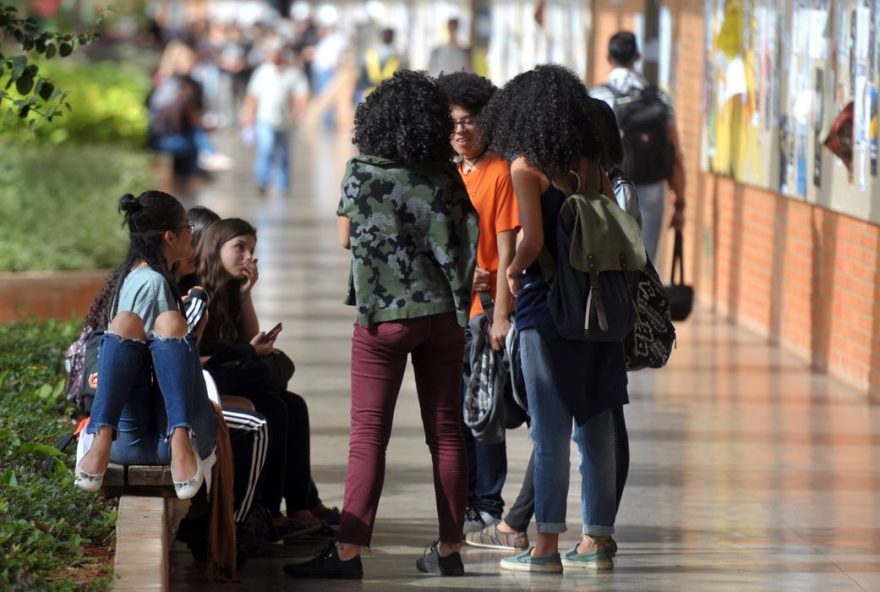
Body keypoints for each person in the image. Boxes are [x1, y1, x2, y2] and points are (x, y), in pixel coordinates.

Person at [283, 69, 479, 580]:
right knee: (447, 431)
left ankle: (348, 553)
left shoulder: (362, 171)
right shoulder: (445, 174)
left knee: (369, 434)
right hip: (442, 316)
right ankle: (450, 547)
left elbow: (346, 239)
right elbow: (464, 240)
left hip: (383, 320)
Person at [465, 97, 638, 557]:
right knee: (598, 426)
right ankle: (597, 538)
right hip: (598, 307)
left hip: (550, 309)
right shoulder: (591, 166)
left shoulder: (526, 167)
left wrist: (512, 270)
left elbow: (534, 239)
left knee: (551, 433)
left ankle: (544, 548)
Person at [73, 191, 218, 502]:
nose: (191, 236)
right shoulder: (153, 284)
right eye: (187, 228)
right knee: (168, 325)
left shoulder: (133, 276)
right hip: (157, 432)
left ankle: (102, 438)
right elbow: (159, 369)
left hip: (128, 440)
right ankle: (175, 435)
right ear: (170, 237)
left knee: (134, 323)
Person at [195, 217, 333, 539]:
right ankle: (270, 512)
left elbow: (248, 338)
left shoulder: (229, 291)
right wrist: (242, 354)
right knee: (274, 407)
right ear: (216, 249)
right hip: (206, 385)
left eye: (252, 251)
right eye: (238, 248)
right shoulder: (198, 294)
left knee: (293, 405)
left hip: (226, 378)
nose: (247, 258)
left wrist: (245, 295)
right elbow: (187, 358)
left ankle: (299, 506)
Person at [437, 71, 520, 534]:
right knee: (453, 411)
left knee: (484, 412)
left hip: (483, 311)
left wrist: (501, 315)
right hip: (447, 311)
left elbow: (507, 252)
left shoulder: (501, 172)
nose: (461, 131)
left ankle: (488, 500)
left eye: (469, 121)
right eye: (452, 123)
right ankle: (466, 498)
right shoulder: (445, 173)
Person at [590, 31, 686, 262]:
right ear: (638, 56)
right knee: (646, 257)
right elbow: (676, 155)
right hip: (651, 184)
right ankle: (639, 297)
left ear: (607, 57)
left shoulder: (597, 97)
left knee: (611, 258)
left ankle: (617, 297)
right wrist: (680, 204)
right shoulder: (659, 98)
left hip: (610, 186)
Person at [240, 41, 310, 196]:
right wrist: (248, 116)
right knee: (266, 148)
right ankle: (262, 181)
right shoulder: (262, 72)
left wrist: (298, 111)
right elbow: (253, 96)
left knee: (284, 153)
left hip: (285, 122)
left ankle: (283, 184)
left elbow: (302, 95)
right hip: (265, 119)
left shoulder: (293, 74)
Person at [355, 28, 403, 102]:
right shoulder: (396, 58)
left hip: (368, 94)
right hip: (386, 96)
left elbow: (359, 75)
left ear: (380, 38)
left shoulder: (369, 54)